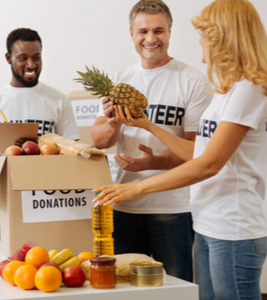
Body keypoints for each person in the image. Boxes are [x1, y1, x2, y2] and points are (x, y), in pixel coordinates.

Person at [92, 0, 267, 299]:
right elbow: (199, 150)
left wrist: (136, 188)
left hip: (234, 227)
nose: (199, 39)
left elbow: (208, 164)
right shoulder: (229, 89)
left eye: (203, 32)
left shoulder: (249, 89)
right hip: (209, 222)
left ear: (223, 35)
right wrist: (147, 125)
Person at [91, 0, 212, 282]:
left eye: (159, 30)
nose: (151, 38)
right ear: (132, 34)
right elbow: (98, 141)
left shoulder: (193, 81)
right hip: (121, 204)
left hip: (172, 208)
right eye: (143, 31)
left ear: (170, 32)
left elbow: (198, 152)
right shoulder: (119, 81)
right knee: (122, 287)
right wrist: (112, 122)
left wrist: (155, 161)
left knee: (175, 285)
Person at [0, 28, 80, 242]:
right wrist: (2, 141)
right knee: (0, 269)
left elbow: (75, 156)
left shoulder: (58, 99)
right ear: (8, 58)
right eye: (23, 58)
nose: (31, 65)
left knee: (46, 271)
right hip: (2, 206)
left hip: (47, 204)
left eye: (36, 57)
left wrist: (45, 147)